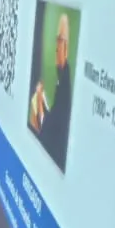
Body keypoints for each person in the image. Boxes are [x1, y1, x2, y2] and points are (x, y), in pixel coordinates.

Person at [30, 11, 73, 163]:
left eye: (60, 42)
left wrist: (40, 104)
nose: (56, 48)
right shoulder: (61, 80)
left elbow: (50, 133)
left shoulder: (65, 86)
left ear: (66, 48)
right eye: (56, 42)